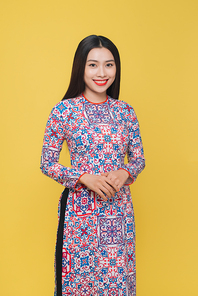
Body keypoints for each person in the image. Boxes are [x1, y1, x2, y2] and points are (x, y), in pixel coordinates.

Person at [40, 35, 145, 296]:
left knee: (116, 281)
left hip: (118, 213)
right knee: (79, 282)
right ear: (81, 67)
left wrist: (125, 171)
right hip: (79, 215)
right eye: (93, 65)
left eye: (109, 65)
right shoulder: (63, 111)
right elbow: (47, 163)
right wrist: (84, 178)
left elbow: (139, 159)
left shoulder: (125, 112)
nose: (102, 73)